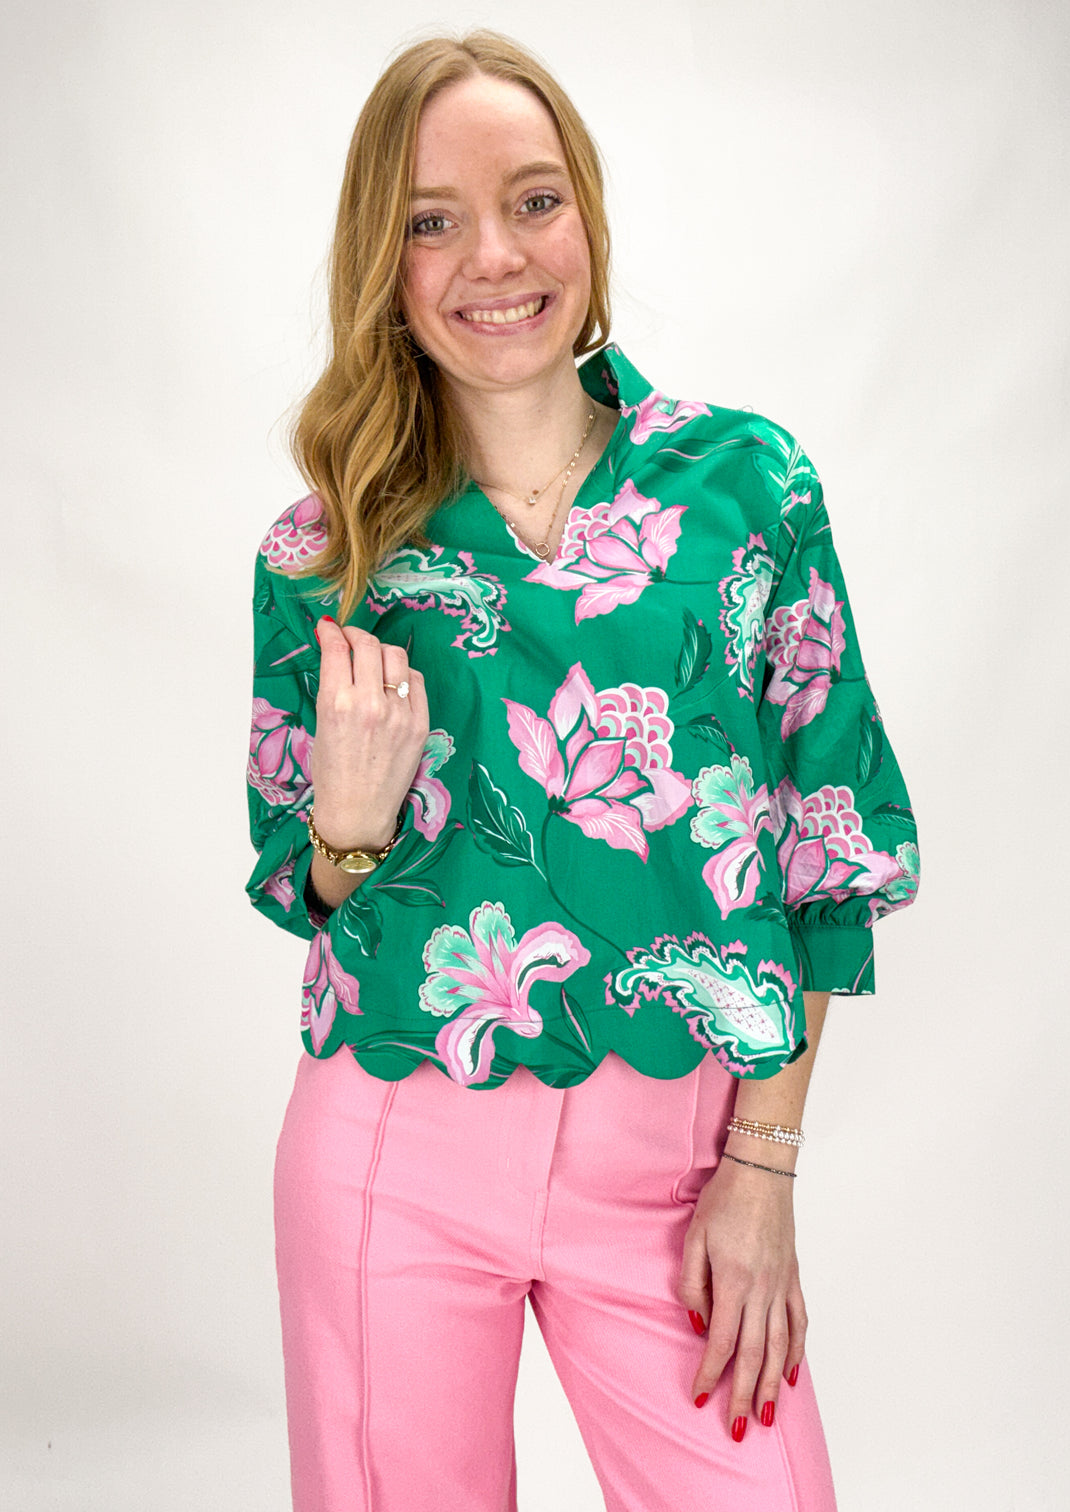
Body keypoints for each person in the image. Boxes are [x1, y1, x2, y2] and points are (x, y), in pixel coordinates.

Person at [246, 29, 920, 1512]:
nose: (495, 254)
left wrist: (765, 1167)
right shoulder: (329, 548)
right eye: (432, 220)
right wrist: (346, 834)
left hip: (678, 1170)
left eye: (533, 200)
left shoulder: (749, 487)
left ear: (589, 220)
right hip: (390, 1150)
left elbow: (828, 852)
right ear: (386, 261)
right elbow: (307, 884)